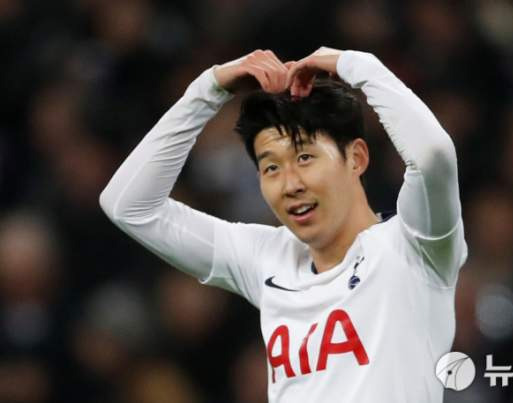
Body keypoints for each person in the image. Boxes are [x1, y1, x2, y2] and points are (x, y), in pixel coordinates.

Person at [100, 47, 468, 403]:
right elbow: (128, 205)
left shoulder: (414, 246)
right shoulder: (266, 258)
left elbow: (432, 154)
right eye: (271, 167)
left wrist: (357, 66)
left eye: (305, 157)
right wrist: (209, 90)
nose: (290, 184)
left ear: (356, 158)